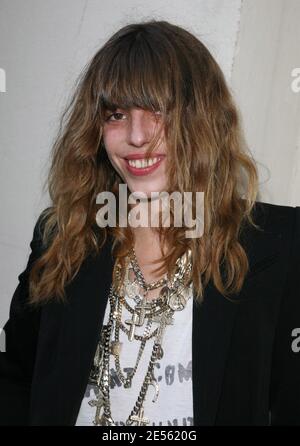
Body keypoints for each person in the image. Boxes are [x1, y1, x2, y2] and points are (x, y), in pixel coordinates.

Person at [0, 19, 299, 427]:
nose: (136, 137)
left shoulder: (276, 246)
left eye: (157, 110)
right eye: (117, 114)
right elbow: (15, 373)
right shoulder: (62, 236)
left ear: (202, 116)